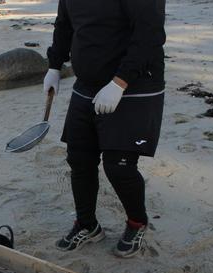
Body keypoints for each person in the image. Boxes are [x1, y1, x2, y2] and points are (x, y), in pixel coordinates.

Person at [43, 0, 166, 257]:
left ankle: (136, 223)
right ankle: (87, 225)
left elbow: (150, 34)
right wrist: (54, 65)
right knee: (79, 158)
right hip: (87, 83)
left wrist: (120, 83)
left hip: (136, 84)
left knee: (118, 165)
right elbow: (65, 26)